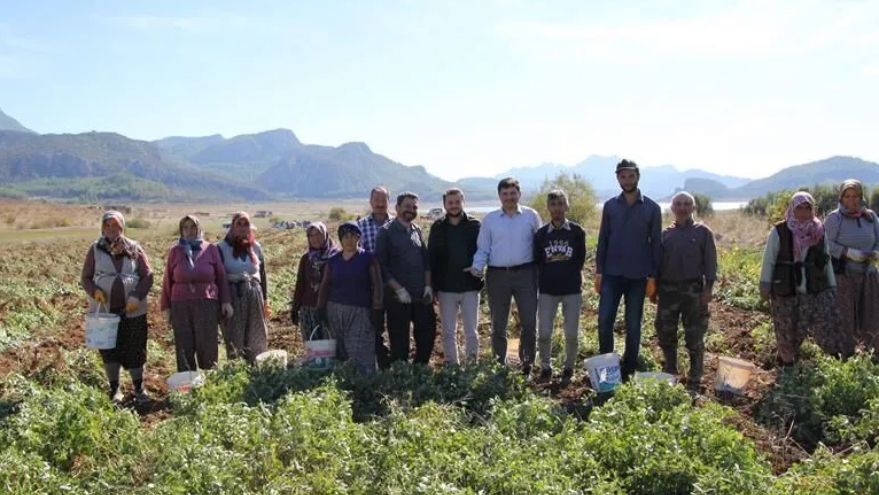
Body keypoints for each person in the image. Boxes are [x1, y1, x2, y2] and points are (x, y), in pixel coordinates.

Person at [467, 177, 542, 375]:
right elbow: (483, 248)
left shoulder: (531, 216)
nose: (509, 197)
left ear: (519, 194)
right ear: (499, 196)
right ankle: (499, 364)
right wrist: (477, 267)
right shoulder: (490, 220)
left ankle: (527, 364)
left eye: (512, 193)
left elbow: (541, 244)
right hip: (498, 275)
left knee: (529, 322)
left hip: (526, 273)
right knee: (498, 323)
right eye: (505, 194)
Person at [595, 159, 662, 380]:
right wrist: (599, 272)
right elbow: (603, 239)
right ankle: (607, 368)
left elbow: (656, 244)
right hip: (612, 275)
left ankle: (629, 368)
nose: (627, 180)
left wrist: (653, 277)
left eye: (630, 176)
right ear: (618, 178)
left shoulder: (652, 208)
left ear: (638, 177)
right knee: (605, 320)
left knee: (633, 324)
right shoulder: (610, 206)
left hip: (638, 276)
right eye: (622, 176)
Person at [759, 192, 843, 365]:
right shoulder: (780, 231)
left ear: (812, 209)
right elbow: (769, 259)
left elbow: (826, 259)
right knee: (786, 328)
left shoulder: (819, 231)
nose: (804, 212)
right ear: (792, 209)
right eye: (799, 208)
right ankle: (787, 363)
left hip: (813, 288)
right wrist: (765, 285)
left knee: (822, 324)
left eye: (807, 208)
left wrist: (832, 286)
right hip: (786, 289)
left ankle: (835, 359)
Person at [81, 211, 154, 404]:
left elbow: (148, 276)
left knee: (135, 348)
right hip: (106, 311)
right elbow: (86, 277)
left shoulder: (134, 248)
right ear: (103, 228)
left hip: (133, 311)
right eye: (108, 226)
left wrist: (136, 297)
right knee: (109, 349)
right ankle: (115, 390)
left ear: (122, 227)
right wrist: (95, 290)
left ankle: (139, 388)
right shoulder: (95, 249)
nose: (113, 229)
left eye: (116, 225)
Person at [653, 192, 717, 392]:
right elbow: (657, 264)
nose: (682, 207)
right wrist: (654, 290)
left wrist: (708, 289)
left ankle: (695, 380)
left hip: (693, 291)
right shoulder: (665, 235)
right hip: (668, 291)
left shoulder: (703, 232)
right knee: (665, 333)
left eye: (687, 204)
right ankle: (671, 371)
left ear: (693, 208)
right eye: (678, 204)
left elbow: (711, 263)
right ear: (672, 208)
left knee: (695, 336)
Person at [161, 215, 233, 372]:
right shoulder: (175, 251)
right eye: (185, 228)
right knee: (183, 342)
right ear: (181, 231)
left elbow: (221, 277)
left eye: (193, 227)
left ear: (199, 229)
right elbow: (167, 280)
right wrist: (166, 306)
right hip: (180, 303)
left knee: (207, 341)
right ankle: (187, 379)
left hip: (206, 301)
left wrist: (225, 301)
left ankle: (209, 377)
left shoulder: (210, 249)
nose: (189, 231)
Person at [375, 191, 435, 364]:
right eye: (407, 206)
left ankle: (419, 368)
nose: (411, 210)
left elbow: (425, 261)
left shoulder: (416, 230)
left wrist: (428, 286)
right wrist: (398, 289)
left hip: (420, 295)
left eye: (414, 207)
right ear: (397, 208)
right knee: (400, 339)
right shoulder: (385, 232)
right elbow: (381, 266)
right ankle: (401, 374)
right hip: (397, 297)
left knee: (427, 333)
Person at [534, 190, 586, 383]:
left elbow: (580, 258)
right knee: (545, 332)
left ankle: (569, 368)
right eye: (553, 205)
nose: (557, 208)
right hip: (547, 290)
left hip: (572, 290)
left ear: (566, 206)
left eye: (560, 204)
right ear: (548, 208)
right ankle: (546, 366)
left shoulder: (577, 232)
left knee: (571, 333)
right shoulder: (541, 234)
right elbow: (538, 260)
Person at [317, 222, 383, 374]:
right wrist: (320, 307)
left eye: (353, 236)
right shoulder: (333, 260)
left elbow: (377, 285)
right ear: (340, 239)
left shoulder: (368, 258)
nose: (349, 240)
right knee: (340, 348)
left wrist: (377, 309)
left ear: (359, 237)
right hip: (335, 311)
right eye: (345, 236)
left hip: (360, 312)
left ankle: (365, 382)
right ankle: (342, 383)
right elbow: (325, 285)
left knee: (360, 349)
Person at [428, 187, 483, 365]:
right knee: (448, 331)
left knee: (471, 331)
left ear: (463, 202)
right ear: (444, 204)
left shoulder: (475, 225)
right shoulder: (438, 227)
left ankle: (471, 365)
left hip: (470, 286)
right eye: (450, 203)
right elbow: (432, 257)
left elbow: (484, 251)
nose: (454, 206)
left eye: (457, 202)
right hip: (446, 287)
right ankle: (452, 365)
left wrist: (478, 267)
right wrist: (433, 287)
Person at [824, 179, 876, 354]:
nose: (851, 200)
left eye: (855, 196)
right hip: (844, 275)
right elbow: (826, 243)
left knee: (872, 313)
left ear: (861, 197)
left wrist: (875, 253)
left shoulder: (870, 217)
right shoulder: (834, 218)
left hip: (868, 274)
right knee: (845, 316)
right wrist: (847, 252)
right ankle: (845, 353)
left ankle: (873, 353)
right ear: (841, 197)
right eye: (847, 196)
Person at [217, 212, 269, 363]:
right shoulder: (221, 248)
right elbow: (219, 278)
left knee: (257, 334)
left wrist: (266, 300)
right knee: (235, 336)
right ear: (232, 226)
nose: (242, 227)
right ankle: (237, 370)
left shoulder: (256, 247)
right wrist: (223, 301)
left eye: (245, 224)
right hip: (233, 296)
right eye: (238, 224)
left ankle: (256, 367)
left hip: (254, 295)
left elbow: (263, 275)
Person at [357, 186, 394, 369]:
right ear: (370, 202)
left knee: (397, 325)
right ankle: (381, 363)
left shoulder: (397, 224)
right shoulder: (360, 226)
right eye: (376, 200)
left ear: (389, 201)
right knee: (375, 325)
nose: (380, 203)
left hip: (395, 284)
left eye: (383, 200)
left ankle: (397, 363)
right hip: (371, 285)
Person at [291, 222, 339, 342]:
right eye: (311, 235)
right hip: (308, 308)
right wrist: (295, 308)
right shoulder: (306, 259)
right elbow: (300, 284)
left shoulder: (336, 257)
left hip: (329, 307)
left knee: (330, 344)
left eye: (318, 234)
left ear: (326, 235)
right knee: (312, 344)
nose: (315, 238)